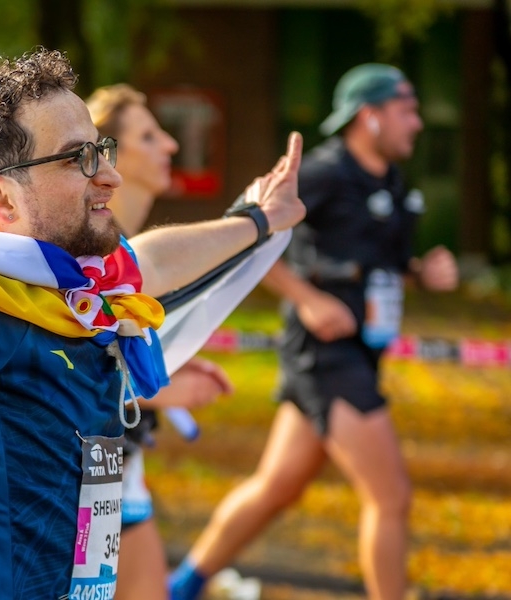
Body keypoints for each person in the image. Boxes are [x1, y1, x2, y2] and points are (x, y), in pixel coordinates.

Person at [0, 37, 305, 599]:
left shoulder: (83, 290)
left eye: (103, 149)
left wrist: (258, 219)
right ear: (3, 200)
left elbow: (155, 260)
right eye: (78, 158)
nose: (109, 175)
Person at [168, 64, 458, 600]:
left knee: (276, 488)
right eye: (407, 110)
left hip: (359, 355)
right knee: (390, 497)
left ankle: (180, 586)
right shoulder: (324, 172)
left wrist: (423, 273)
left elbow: (380, 265)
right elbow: (248, 238)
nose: (418, 123)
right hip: (326, 359)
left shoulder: (391, 182)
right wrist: (309, 299)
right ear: (369, 117)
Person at [86, 84, 234, 600]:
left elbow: (123, 355)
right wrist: (164, 390)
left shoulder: (128, 241)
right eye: (149, 136)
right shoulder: (88, 251)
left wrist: (171, 370)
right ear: (108, 157)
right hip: (81, 468)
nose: (170, 145)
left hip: (122, 463)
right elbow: (73, 368)